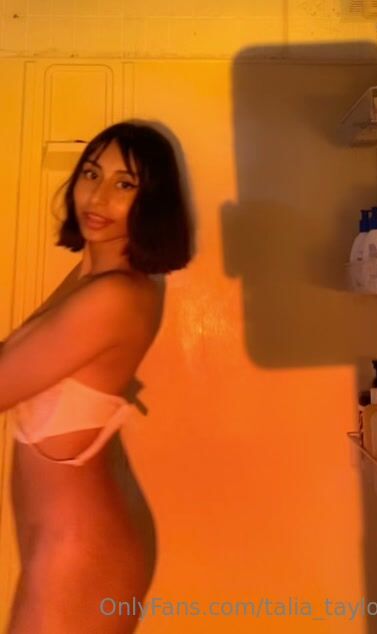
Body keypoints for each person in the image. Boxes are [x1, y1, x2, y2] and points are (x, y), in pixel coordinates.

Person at [2, 120, 196, 633]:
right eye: (91, 173)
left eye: (124, 183)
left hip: (84, 550)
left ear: (151, 200)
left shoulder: (114, 295)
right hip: (66, 539)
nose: (98, 195)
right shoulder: (94, 275)